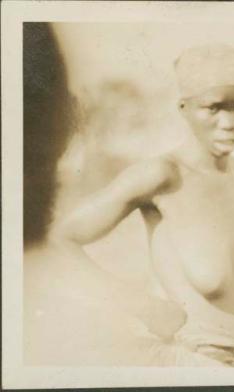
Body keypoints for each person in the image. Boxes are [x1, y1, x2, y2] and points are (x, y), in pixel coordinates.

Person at [53, 44, 234, 366]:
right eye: (214, 107)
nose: (229, 122)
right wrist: (140, 304)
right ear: (184, 107)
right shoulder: (162, 175)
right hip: (198, 365)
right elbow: (57, 239)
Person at [23, 23, 186, 365]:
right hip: (84, 332)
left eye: (136, 121)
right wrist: (144, 307)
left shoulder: (146, 174)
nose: (131, 131)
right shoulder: (78, 178)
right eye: (123, 121)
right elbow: (53, 243)